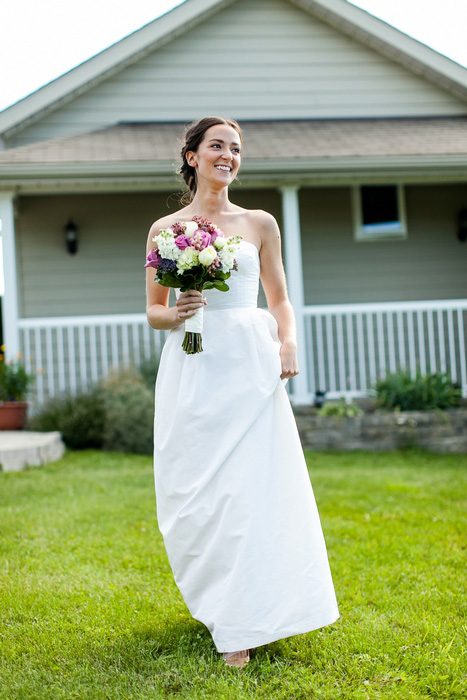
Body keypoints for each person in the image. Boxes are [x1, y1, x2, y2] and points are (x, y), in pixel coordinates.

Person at [145, 116, 339, 668]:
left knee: (254, 491)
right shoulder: (167, 228)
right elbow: (154, 312)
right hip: (195, 367)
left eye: (235, 148)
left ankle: (245, 623)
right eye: (216, 146)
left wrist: (289, 342)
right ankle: (222, 606)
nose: (227, 155)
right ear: (191, 156)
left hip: (250, 367)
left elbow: (278, 298)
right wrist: (175, 312)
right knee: (201, 496)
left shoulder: (260, 223)